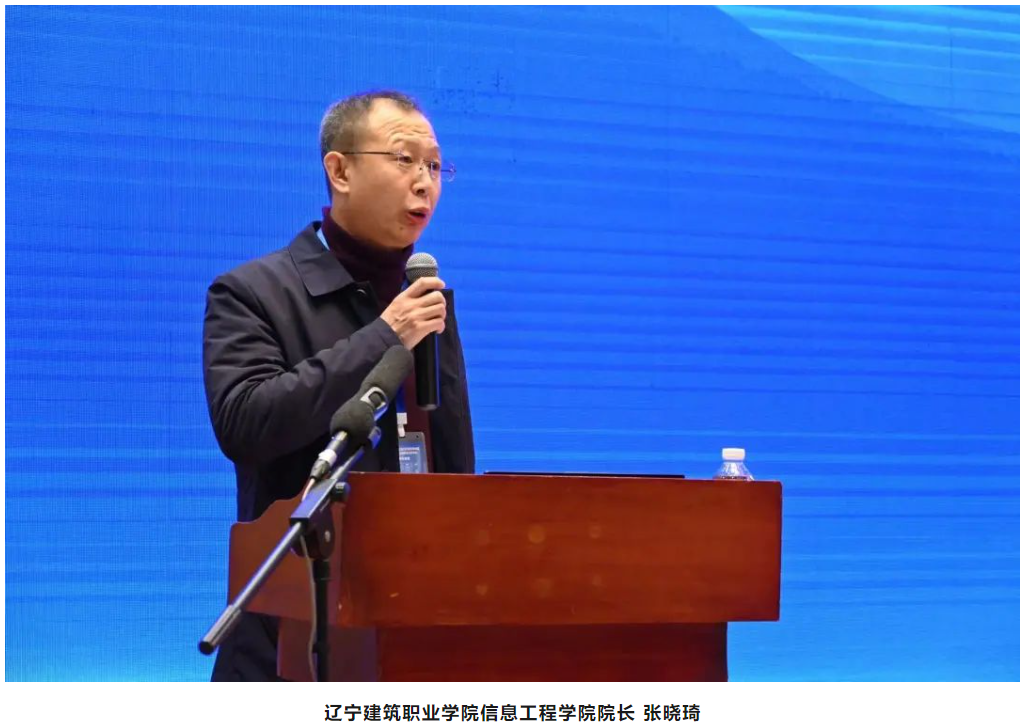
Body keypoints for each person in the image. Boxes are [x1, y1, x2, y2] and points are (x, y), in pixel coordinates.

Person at [202, 90, 474, 681]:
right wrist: (384, 336)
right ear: (340, 170)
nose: (425, 182)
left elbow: (453, 465)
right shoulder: (252, 293)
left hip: (407, 631)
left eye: (435, 166)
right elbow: (245, 424)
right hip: (284, 639)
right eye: (404, 159)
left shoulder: (426, 300)